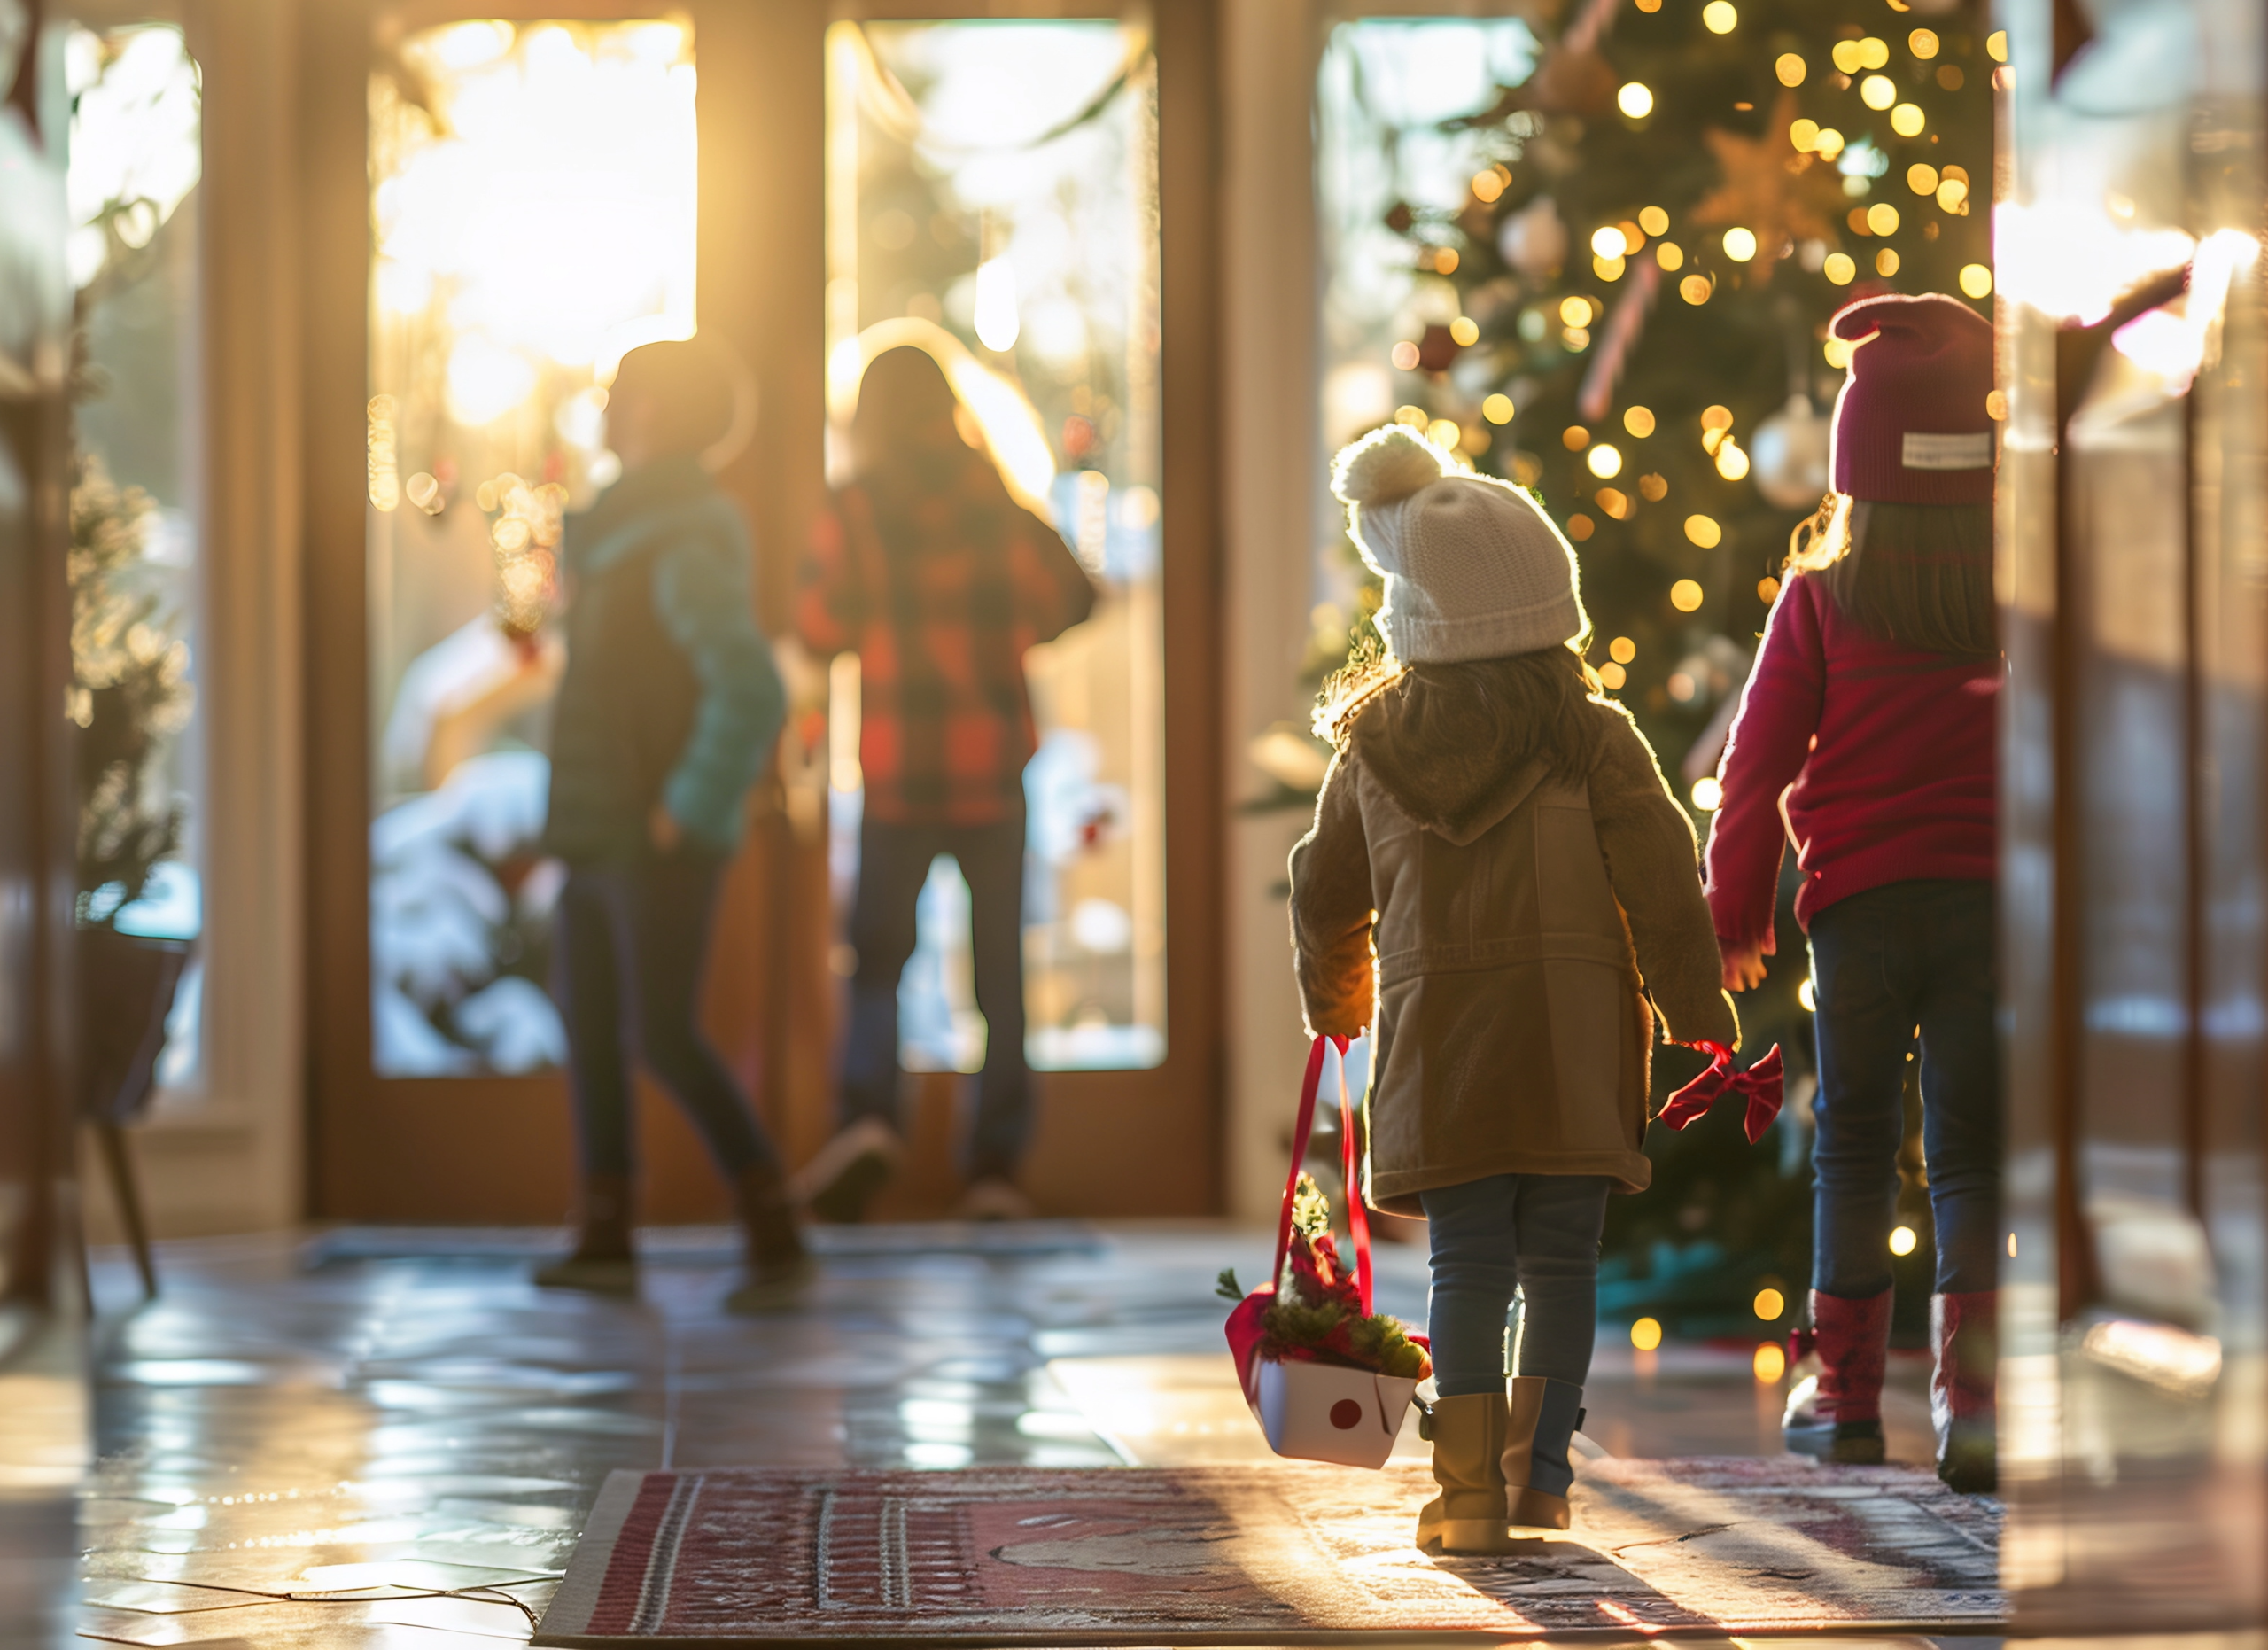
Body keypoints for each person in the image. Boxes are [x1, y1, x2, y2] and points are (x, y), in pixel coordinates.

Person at [1291, 424, 1737, 1553]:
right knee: (1563, 1262)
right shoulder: (1593, 736)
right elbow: (1664, 881)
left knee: (1468, 1263)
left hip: (1445, 1049)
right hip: (1576, 1044)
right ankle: (1540, 1478)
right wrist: (1697, 1017)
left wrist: (1338, 996)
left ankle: (1467, 1494)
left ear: (1417, 621)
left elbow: (1323, 888)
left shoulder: (1371, 750)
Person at [1705, 292, 2000, 1492]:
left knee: (1856, 1145)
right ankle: (1975, 1404)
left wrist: (1739, 911)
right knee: (1977, 1151)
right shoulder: (2016, 593)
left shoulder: (1820, 596)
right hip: (1991, 909)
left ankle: (1846, 1398)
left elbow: (1754, 769)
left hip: (1857, 912)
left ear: (1856, 468)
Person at [794, 346, 1096, 1222]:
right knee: (997, 973)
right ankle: (994, 1170)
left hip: (896, 769)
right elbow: (1075, 596)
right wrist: (1003, 632)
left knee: (877, 963)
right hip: (993, 767)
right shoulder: (992, 501)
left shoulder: (854, 509)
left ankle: (868, 1123)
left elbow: (819, 624)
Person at [536, 335, 807, 1310]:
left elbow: (748, 687)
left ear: (652, 411)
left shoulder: (678, 533)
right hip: (596, 828)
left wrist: (681, 809)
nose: (606, 408)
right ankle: (604, 1230)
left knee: (660, 1033)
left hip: (651, 840)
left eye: (621, 393)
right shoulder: (620, 531)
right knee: (595, 1026)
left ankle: (772, 1216)